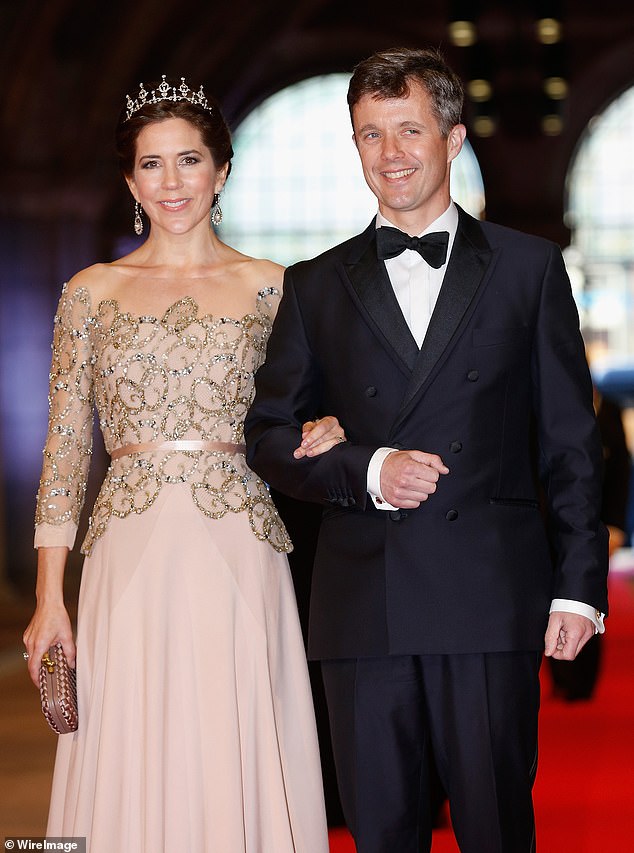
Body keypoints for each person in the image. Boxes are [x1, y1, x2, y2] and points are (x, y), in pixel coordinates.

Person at [244, 47, 609, 853]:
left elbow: (572, 445)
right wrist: (367, 466)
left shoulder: (528, 268)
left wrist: (579, 588)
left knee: (495, 830)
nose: (390, 154)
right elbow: (267, 436)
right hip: (360, 607)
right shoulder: (314, 284)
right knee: (380, 834)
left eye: (408, 130)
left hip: (488, 597)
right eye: (370, 135)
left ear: (453, 137)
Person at [22, 75, 342, 853]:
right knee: (132, 732)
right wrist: (48, 597)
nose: (173, 182)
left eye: (189, 160)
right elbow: (65, 445)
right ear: (130, 180)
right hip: (127, 551)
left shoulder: (275, 288)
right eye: (153, 164)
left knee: (233, 725)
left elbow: (312, 410)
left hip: (240, 542)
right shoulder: (90, 293)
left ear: (221, 171)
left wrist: (329, 429)